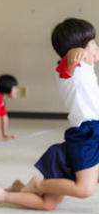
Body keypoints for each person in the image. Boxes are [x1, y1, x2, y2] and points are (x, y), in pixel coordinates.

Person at [20, 18, 99, 200]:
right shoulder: (69, 70)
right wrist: (73, 53)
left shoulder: (88, 65)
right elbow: (69, 63)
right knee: (84, 189)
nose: (96, 46)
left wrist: (87, 49)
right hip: (85, 130)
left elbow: (92, 53)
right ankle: (37, 185)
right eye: (92, 43)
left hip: (96, 127)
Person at [0, 142, 72, 211]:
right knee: (47, 204)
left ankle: (19, 187)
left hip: (65, 156)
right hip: (63, 159)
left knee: (57, 199)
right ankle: (0, 195)